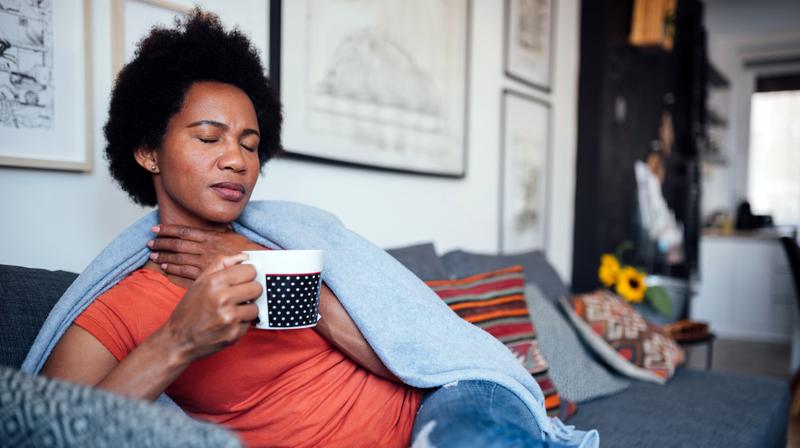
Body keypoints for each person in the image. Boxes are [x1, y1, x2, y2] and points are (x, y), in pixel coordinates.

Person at [40, 10, 590, 448]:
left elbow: (411, 358)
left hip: (448, 402)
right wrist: (177, 341)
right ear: (147, 153)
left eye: (251, 145)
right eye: (209, 138)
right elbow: (52, 432)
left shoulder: (287, 242)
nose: (237, 160)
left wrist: (259, 264)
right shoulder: (118, 307)